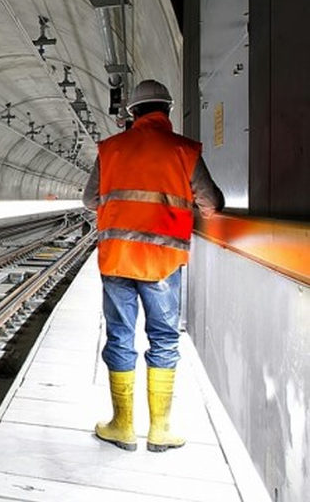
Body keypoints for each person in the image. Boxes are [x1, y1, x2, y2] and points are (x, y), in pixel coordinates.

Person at [82, 79, 224, 452]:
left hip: (117, 259)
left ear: (132, 113)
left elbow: (88, 200)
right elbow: (211, 202)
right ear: (167, 110)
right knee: (163, 337)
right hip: (163, 262)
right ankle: (160, 429)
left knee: (120, 335)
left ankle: (122, 426)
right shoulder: (184, 150)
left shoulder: (110, 149)